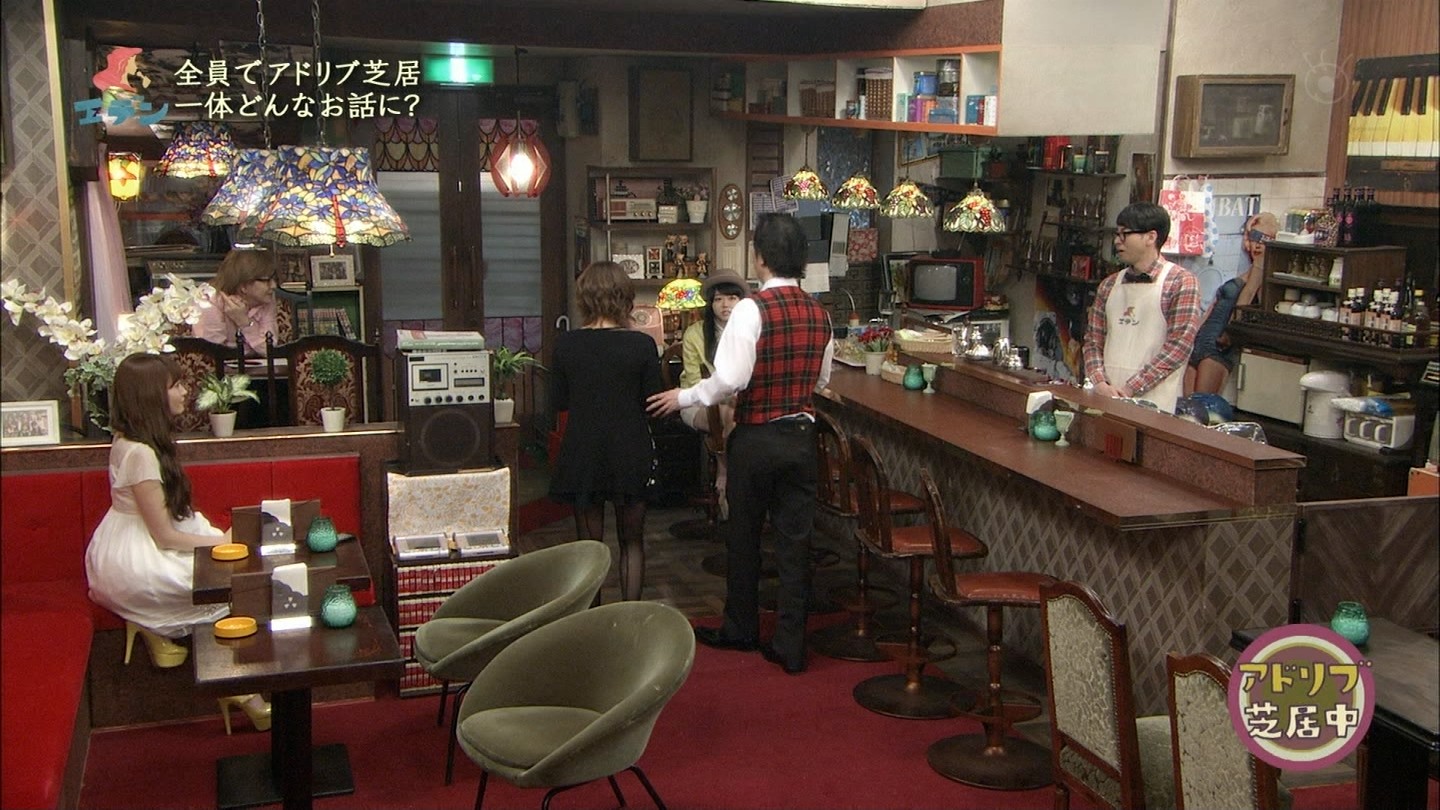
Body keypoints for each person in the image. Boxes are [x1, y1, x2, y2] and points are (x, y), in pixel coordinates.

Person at [647, 213, 834, 675]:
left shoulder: (752, 309)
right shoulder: (820, 313)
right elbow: (822, 379)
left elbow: (729, 380)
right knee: (795, 543)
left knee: (745, 536)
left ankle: (741, 628)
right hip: (801, 437)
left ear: (760, 257)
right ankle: (791, 645)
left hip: (757, 436)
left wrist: (683, 396)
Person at [84, 353, 270, 731]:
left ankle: (224, 676)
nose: (186, 391)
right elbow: (164, 536)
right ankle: (238, 686)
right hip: (138, 555)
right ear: (152, 395)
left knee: (235, 568)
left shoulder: (130, 441)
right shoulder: (140, 453)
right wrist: (220, 543)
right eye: (176, 385)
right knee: (230, 582)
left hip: (129, 539)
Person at [549, 261, 664, 602]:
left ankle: (594, 619)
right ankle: (630, 617)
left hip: (583, 449)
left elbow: (559, 401)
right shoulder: (642, 345)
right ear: (624, 297)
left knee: (590, 549)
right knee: (632, 542)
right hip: (630, 448)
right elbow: (652, 402)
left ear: (584, 298)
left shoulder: (566, 345)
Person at [1082, 202, 1202, 414]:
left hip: (1154, 404)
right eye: (1117, 234)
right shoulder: (1109, 285)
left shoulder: (1180, 282)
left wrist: (1130, 388)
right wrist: (1100, 383)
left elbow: (1178, 348)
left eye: (1125, 234)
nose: (1117, 241)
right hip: (1105, 399)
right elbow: (1093, 341)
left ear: (1151, 237)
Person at [1185, 211, 1277, 395]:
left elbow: (1247, 297)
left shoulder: (1260, 269)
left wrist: (1229, 331)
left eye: (1265, 239)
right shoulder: (1251, 269)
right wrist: (1190, 336)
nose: (1258, 245)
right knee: (1186, 406)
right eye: (1254, 238)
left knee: (1202, 405)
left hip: (1218, 343)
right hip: (1201, 339)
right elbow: (1212, 306)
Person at [195, 248, 279, 357]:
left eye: (273, 279)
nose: (273, 286)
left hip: (258, 365)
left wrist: (244, 322)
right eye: (266, 280)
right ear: (243, 286)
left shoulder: (267, 299)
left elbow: (270, 349)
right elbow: (212, 354)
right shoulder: (210, 302)